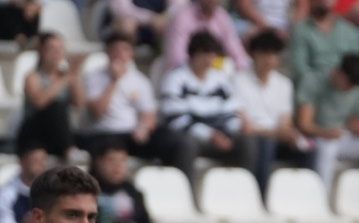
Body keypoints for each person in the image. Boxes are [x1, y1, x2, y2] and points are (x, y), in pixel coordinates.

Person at [159, 31, 246, 176]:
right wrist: (210, 135)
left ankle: (246, 191)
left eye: (212, 54)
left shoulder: (221, 79)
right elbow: (176, 119)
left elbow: (231, 113)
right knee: (187, 144)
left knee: (248, 142)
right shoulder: (175, 78)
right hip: (190, 135)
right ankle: (187, 193)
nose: (208, 59)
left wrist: (230, 132)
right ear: (193, 55)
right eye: (204, 54)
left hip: (220, 135)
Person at [298, 52, 359, 189]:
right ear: (340, 73)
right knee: (328, 149)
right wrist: (325, 132)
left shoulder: (358, 89)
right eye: (348, 84)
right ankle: (322, 197)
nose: (350, 89)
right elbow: (304, 124)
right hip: (318, 136)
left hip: (342, 135)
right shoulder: (314, 81)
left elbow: (353, 119)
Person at [237, 29, 311, 193]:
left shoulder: (284, 84)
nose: (270, 60)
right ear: (254, 54)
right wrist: (274, 132)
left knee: (309, 151)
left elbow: (285, 122)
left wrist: (286, 134)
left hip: (275, 137)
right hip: (252, 139)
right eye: (265, 54)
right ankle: (260, 197)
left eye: (274, 54)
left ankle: (302, 198)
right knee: (265, 145)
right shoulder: (239, 80)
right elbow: (246, 126)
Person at [79, 32, 159, 160]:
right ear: (107, 52)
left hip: (129, 135)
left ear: (131, 54)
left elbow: (149, 114)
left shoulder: (140, 80)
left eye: (125, 50)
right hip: (102, 133)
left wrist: (143, 128)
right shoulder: (93, 77)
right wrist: (114, 80)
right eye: (115, 50)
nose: (120, 54)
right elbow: (97, 112)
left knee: (163, 139)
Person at [18, 33, 83, 158]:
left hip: (57, 134)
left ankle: (68, 147)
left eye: (60, 49)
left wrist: (75, 77)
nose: (56, 53)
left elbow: (79, 103)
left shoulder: (66, 76)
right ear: (41, 51)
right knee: (56, 107)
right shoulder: (32, 76)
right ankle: (68, 148)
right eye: (51, 48)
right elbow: (39, 101)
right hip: (35, 133)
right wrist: (64, 79)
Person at [290, 1, 359, 98]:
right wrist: (328, 82)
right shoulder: (301, 31)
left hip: (344, 91)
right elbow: (300, 69)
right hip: (314, 93)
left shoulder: (350, 31)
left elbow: (357, 65)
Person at [0, 145, 48, 223]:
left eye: (42, 160)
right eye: (34, 160)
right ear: (22, 161)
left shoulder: (51, 194)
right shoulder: (7, 194)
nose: (39, 165)